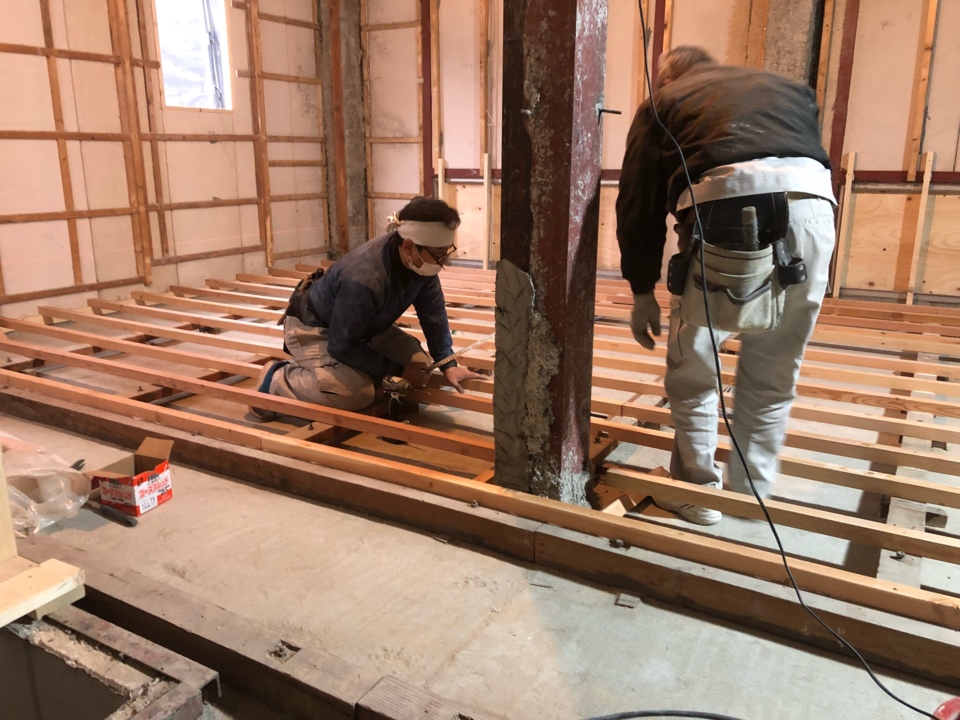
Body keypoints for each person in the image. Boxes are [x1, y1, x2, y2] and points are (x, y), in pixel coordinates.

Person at [616, 47, 837, 525]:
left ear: (670, 75)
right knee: (775, 364)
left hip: (729, 209)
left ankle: (698, 494)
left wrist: (640, 291)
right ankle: (751, 493)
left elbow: (639, 202)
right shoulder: (788, 89)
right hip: (817, 210)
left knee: (695, 361)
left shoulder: (665, 100)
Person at [250, 196, 484, 419]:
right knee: (355, 394)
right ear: (410, 246)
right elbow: (341, 345)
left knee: (421, 367)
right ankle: (278, 379)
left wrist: (447, 364)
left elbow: (433, 314)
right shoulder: (364, 278)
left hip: (365, 328)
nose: (443, 263)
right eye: (440, 255)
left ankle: (359, 373)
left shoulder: (421, 263)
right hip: (317, 330)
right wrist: (397, 371)